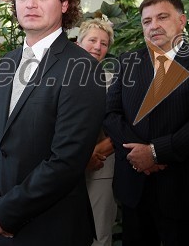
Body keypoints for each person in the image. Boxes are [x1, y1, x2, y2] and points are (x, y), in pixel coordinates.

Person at [0, 0, 106, 246]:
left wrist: (8, 211)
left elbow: (67, 160)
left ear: (64, 4)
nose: (30, 4)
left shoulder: (82, 67)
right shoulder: (6, 64)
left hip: (52, 227)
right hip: (0, 222)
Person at [104, 0, 189, 246]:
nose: (154, 25)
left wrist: (155, 152)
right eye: (147, 21)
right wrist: (138, 154)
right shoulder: (127, 62)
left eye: (162, 17)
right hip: (135, 190)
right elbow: (110, 113)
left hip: (186, 192)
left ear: (181, 21)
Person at [76, 19, 117, 246]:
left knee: (99, 235)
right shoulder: (59, 78)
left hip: (100, 168)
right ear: (79, 42)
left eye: (104, 43)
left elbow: (121, 128)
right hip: (60, 170)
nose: (97, 47)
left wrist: (91, 156)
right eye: (92, 40)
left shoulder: (113, 83)